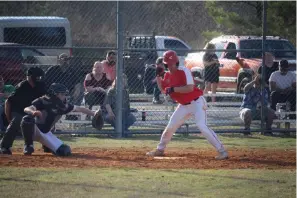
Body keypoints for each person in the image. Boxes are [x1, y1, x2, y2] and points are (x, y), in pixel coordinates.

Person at [146, 50, 228, 160]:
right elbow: (163, 90)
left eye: (171, 64)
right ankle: (160, 150)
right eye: (167, 65)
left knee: (201, 126)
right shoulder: (167, 76)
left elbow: (189, 88)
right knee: (171, 126)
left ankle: (222, 151)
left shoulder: (184, 71)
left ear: (176, 62)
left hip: (197, 102)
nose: (169, 67)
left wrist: (174, 89)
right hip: (183, 106)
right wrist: (158, 77)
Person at [21, 83, 100, 155]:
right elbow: (27, 108)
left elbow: (80, 109)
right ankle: (28, 146)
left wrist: (94, 113)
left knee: (64, 151)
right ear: (55, 94)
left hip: (46, 133)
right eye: (62, 94)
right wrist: (33, 112)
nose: (65, 96)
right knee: (27, 119)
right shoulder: (42, 101)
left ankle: (46, 146)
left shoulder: (62, 106)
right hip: (35, 131)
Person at [0, 67, 46, 155]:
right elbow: (8, 102)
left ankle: (40, 146)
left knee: (44, 118)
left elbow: (45, 100)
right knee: (18, 120)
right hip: (17, 111)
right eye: (36, 77)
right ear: (29, 77)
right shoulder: (22, 86)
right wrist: (9, 118)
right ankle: (4, 146)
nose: (38, 79)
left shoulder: (41, 85)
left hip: (33, 111)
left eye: (39, 77)